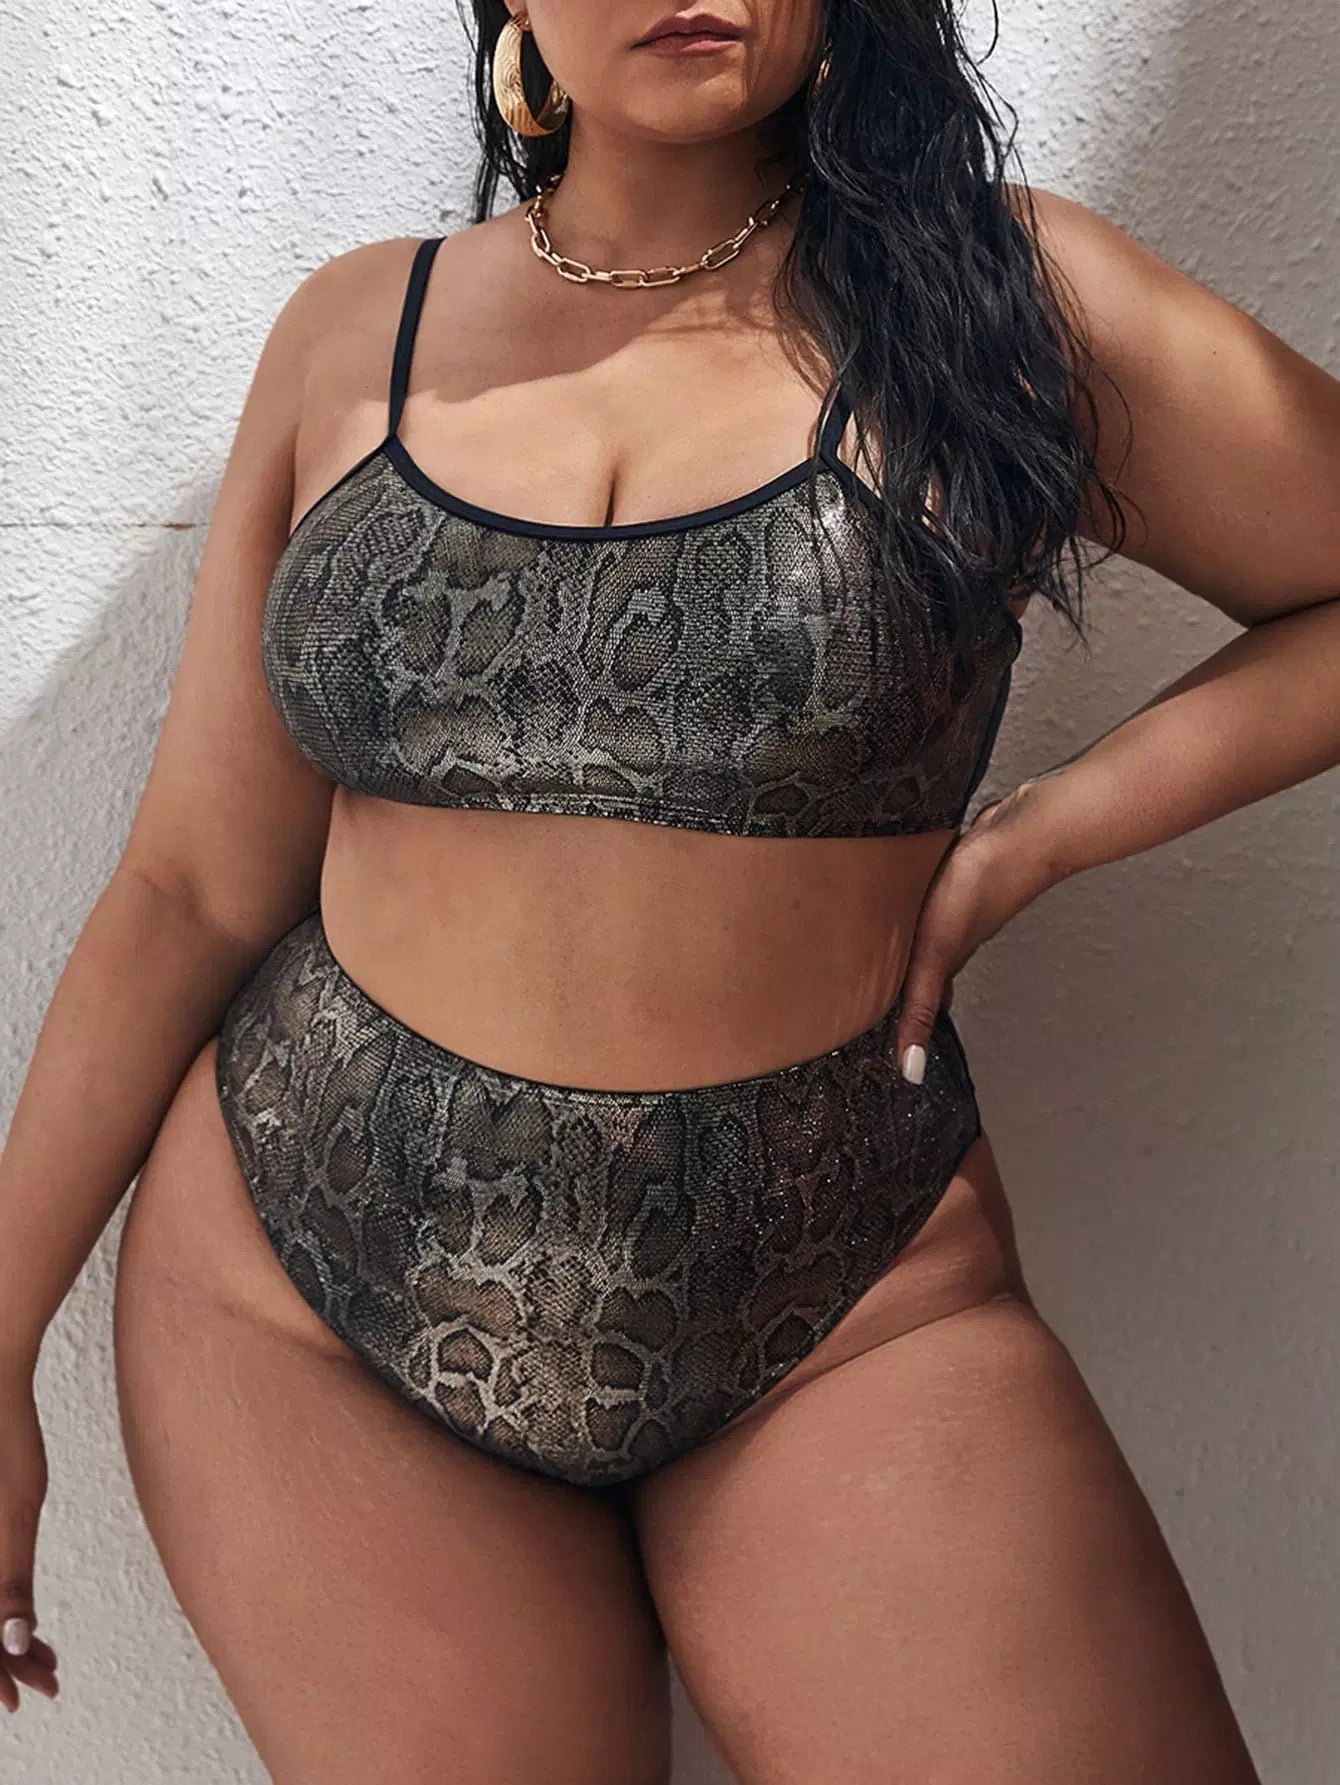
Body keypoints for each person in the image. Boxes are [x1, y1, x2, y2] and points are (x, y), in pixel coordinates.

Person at [2, 1, 1335, 1777]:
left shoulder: (996, 301)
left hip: (836, 1295)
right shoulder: (355, 334)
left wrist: (1040, 832)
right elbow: (188, 887)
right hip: (311, 1296)